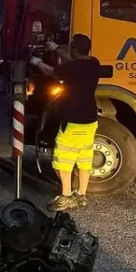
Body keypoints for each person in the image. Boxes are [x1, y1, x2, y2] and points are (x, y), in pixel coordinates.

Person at [29, 34, 101, 211]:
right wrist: (55, 48)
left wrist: (35, 60)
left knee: (64, 160)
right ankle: (81, 195)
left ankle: (66, 196)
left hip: (72, 120)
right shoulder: (94, 63)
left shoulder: (71, 67)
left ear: (74, 50)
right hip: (90, 119)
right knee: (84, 158)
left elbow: (50, 71)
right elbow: (73, 62)